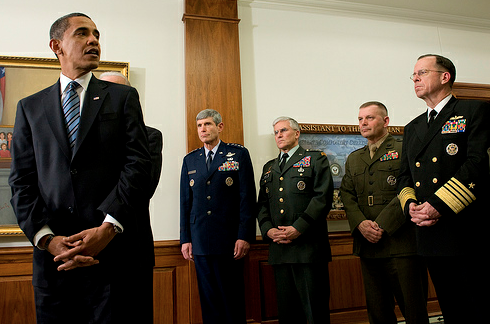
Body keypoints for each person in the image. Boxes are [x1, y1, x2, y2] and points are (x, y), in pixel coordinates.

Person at [9, 13, 154, 324]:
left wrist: (107, 228)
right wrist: (48, 240)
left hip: (113, 261)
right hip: (55, 265)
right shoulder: (30, 107)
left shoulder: (122, 97)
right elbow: (21, 182)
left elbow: (138, 165)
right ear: (56, 45)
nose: (94, 41)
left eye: (97, 35)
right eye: (82, 34)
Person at [397, 54, 490, 323]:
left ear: (444, 76)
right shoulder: (412, 127)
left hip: (465, 229)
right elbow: (404, 175)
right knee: (451, 307)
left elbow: (477, 164)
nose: (415, 78)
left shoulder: (473, 111)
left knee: (477, 306)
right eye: (413, 74)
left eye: (421, 72)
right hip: (428, 232)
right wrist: (411, 207)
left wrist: (437, 206)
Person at [340, 101, 428, 324]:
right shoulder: (354, 158)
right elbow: (347, 196)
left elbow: (411, 189)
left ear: (386, 121)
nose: (363, 123)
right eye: (360, 119)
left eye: (369, 118)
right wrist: (361, 224)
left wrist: (381, 225)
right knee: (378, 312)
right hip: (368, 246)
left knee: (413, 309)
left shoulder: (403, 150)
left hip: (401, 243)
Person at [180, 109, 256, 324]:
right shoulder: (190, 160)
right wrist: (185, 238)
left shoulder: (238, 154)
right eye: (199, 126)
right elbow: (185, 202)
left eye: (207, 124)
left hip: (230, 240)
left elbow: (247, 197)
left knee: (231, 298)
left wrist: (244, 236)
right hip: (200, 240)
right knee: (209, 301)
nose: (203, 129)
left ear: (219, 127)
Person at [257, 116, 333, 324]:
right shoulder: (269, 167)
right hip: (280, 250)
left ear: (297, 133)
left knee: (313, 311)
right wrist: (267, 230)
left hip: (308, 248)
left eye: (283, 131)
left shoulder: (315, 159)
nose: (279, 135)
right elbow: (262, 204)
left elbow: (322, 198)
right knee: (288, 312)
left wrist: (298, 228)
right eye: (276, 132)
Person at [99, 71, 163, 197]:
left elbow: (144, 187)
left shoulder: (150, 136)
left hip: (124, 213)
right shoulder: (85, 135)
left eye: (116, 92)